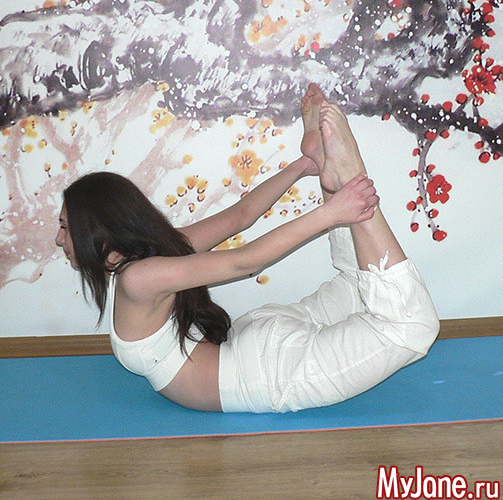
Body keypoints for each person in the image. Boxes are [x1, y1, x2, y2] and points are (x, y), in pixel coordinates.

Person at [56, 84, 439, 413]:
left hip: (263, 372)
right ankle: (335, 171)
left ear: (97, 232)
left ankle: (345, 173)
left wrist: (310, 178)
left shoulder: (139, 275)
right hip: (254, 342)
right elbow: (242, 221)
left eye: (64, 228)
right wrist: (318, 191)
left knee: (411, 327)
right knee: (359, 285)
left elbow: (244, 253)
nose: (59, 240)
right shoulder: (153, 259)